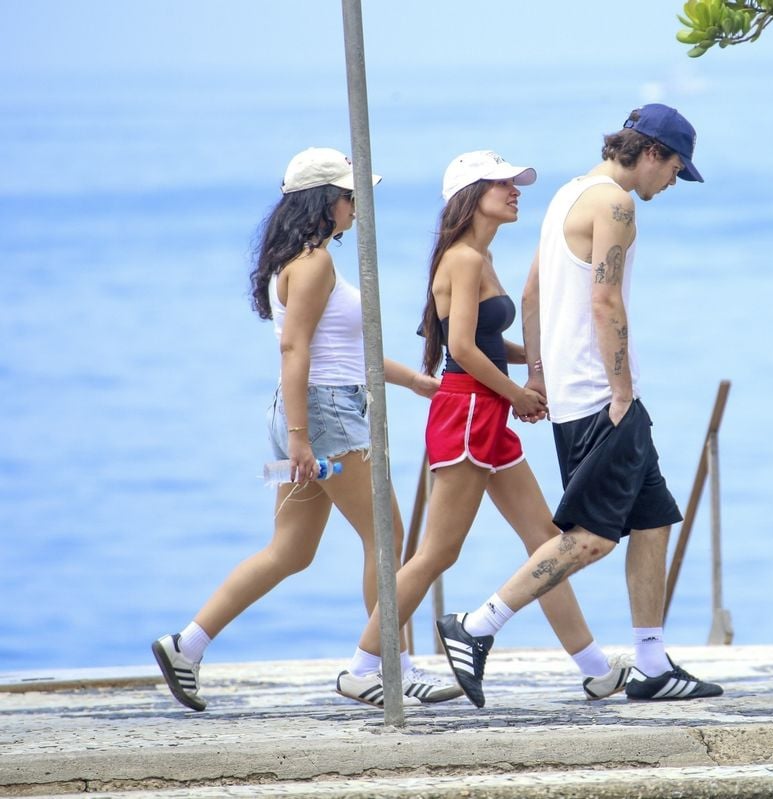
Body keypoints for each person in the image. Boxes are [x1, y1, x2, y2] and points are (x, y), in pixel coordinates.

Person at [436, 105, 724, 707]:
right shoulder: (616, 205)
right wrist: (619, 390)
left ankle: (650, 663)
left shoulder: (568, 195)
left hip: (577, 390)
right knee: (591, 537)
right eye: (674, 168)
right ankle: (478, 626)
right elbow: (605, 302)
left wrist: (540, 373)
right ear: (650, 153)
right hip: (602, 396)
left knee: (652, 521)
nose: (671, 182)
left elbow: (534, 291)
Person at [152, 147, 457, 711]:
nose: (357, 206)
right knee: (386, 539)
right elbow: (295, 349)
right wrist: (300, 438)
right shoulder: (314, 263)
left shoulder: (294, 260)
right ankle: (388, 667)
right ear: (325, 201)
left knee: (290, 550)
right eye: (349, 196)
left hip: (309, 411)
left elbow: (340, 352)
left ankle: (185, 645)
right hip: (322, 416)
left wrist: (413, 382)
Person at [332, 150, 632, 709]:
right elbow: (463, 350)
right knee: (436, 554)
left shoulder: (478, 257)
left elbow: (487, 346)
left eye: (514, 184)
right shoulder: (465, 260)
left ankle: (594, 669)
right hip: (468, 411)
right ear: (470, 196)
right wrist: (517, 392)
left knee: (546, 541)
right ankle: (362, 666)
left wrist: (543, 366)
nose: (515, 191)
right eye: (502, 185)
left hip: (484, 411)